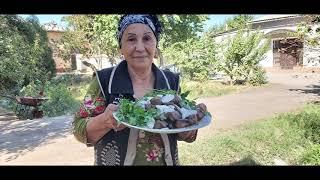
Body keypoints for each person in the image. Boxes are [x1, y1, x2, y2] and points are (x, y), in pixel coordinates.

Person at [72, 14, 198, 166]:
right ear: (121, 47)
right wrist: (104, 121)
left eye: (147, 38)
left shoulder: (171, 81)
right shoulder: (104, 81)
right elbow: (79, 130)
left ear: (156, 44)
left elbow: (181, 130)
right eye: (131, 39)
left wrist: (188, 131)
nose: (139, 48)